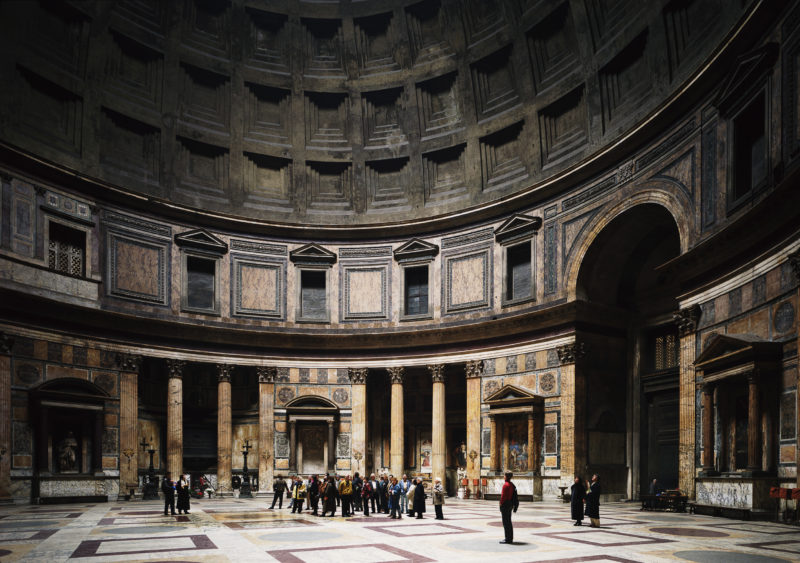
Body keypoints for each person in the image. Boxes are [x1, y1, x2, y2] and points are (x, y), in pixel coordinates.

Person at [499, 471, 518, 544]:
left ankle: (507, 539)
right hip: (510, 504)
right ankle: (510, 538)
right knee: (508, 522)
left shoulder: (505, 485)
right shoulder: (511, 484)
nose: (503, 476)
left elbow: (503, 496)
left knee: (505, 522)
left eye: (504, 475)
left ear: (506, 476)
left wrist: (500, 504)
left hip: (505, 505)